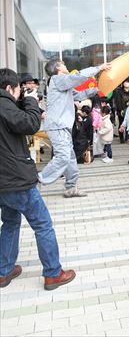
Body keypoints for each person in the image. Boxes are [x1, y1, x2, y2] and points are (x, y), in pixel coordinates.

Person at [0, 68, 75, 290]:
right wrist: (31, 100)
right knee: (43, 225)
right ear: (8, 88)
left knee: (10, 224)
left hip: (3, 182)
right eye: (17, 90)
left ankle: (4, 270)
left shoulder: (6, 107)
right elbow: (30, 124)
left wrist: (22, 102)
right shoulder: (4, 105)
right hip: (18, 181)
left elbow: (13, 122)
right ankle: (53, 273)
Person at [38, 59, 112, 197]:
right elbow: (78, 77)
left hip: (63, 127)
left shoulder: (63, 84)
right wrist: (98, 67)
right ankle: (38, 180)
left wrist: (97, 89)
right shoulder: (57, 79)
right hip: (57, 126)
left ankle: (71, 187)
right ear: (58, 68)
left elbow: (79, 95)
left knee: (70, 158)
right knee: (63, 157)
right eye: (64, 64)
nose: (66, 66)